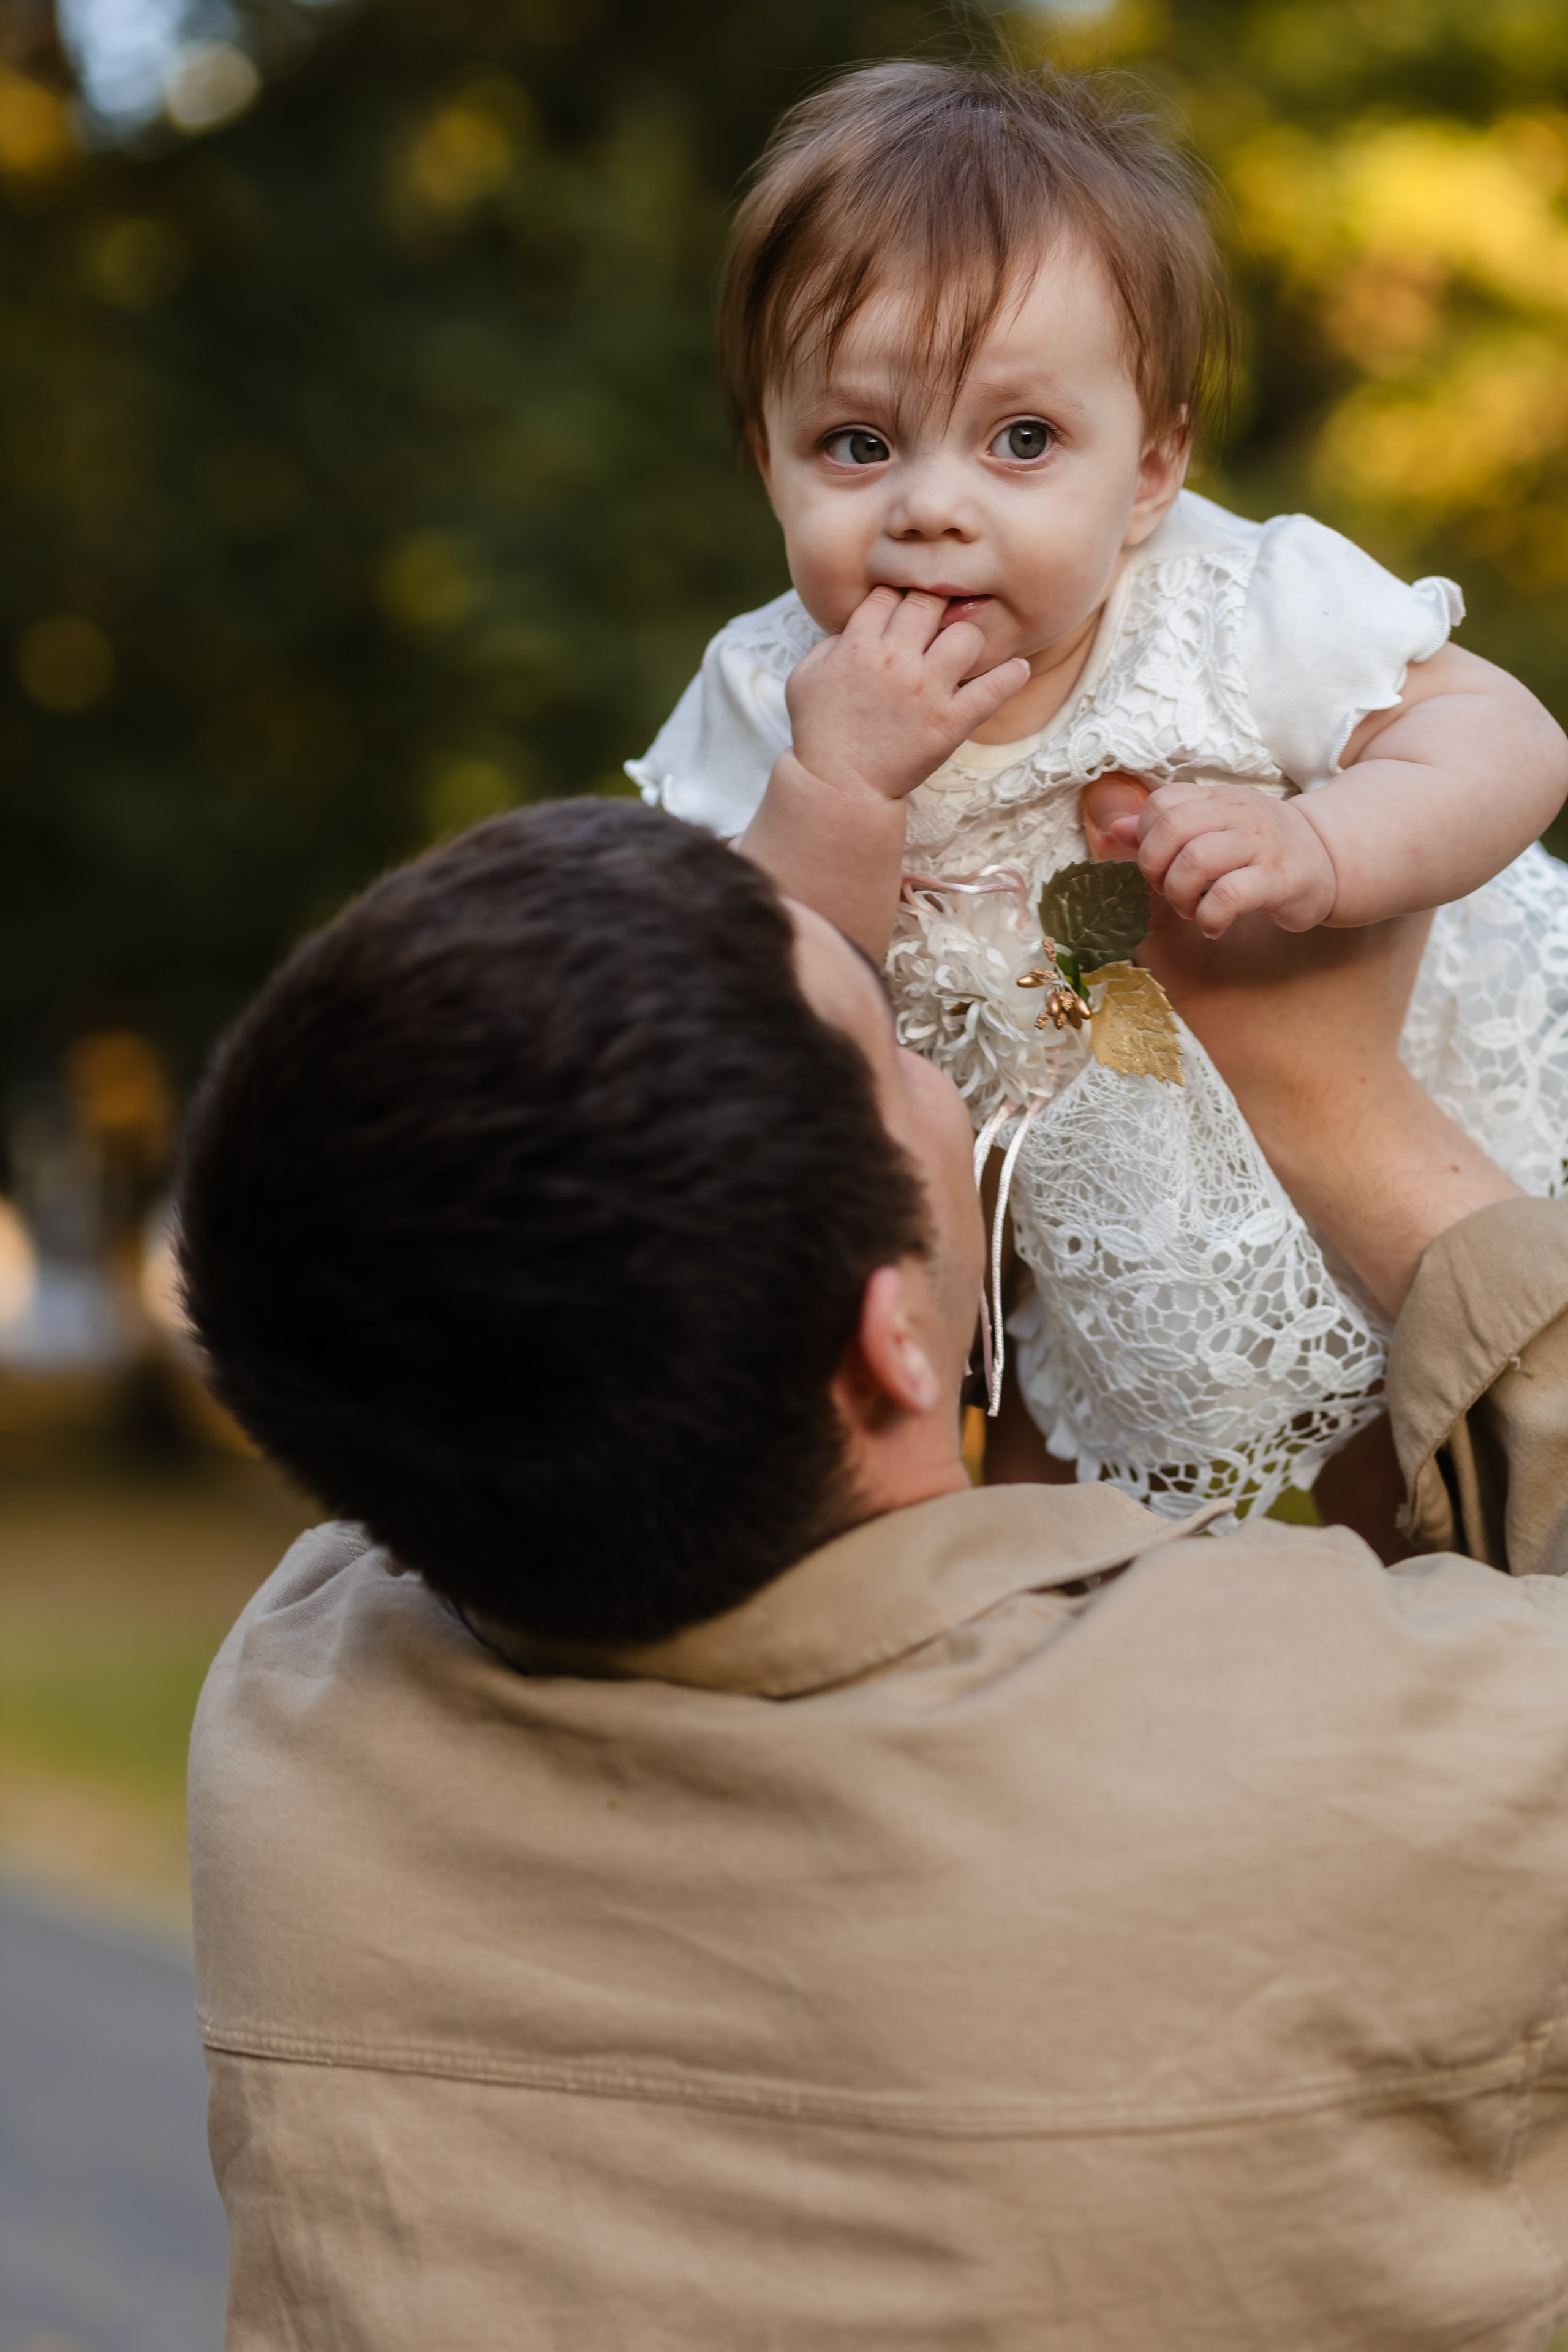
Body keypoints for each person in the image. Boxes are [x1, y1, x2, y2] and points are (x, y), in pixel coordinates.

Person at [183, 799, 1568, 2350]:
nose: (932, 1055)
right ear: (882, 1340)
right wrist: (1339, 1111)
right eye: (897, 1046)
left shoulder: (291, 1723)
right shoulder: (1365, 1752)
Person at [629, 61, 1568, 1543]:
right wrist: (840, 786)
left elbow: (1504, 740)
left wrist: (1326, 844)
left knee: (1423, 1472)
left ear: (1149, 468)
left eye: (1019, 441)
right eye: (856, 445)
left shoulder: (1225, 596)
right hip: (1075, 1215)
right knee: (1043, 1520)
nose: (932, 506)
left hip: (1414, 1098)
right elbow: (756, 990)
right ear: (766, 462)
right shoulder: (771, 696)